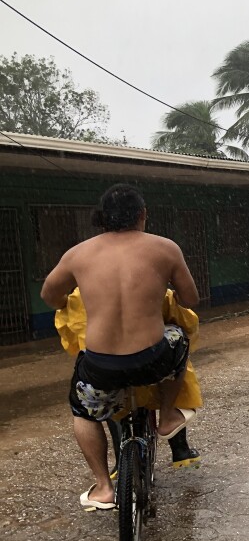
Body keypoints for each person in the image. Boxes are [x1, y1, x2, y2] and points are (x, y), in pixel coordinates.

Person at [41, 183, 200, 509]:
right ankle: (168, 416)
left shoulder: (78, 254)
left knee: (83, 411)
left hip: (101, 366)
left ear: (102, 219)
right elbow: (190, 300)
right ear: (142, 215)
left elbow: (50, 297)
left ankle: (103, 487)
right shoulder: (165, 248)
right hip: (152, 358)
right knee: (179, 338)